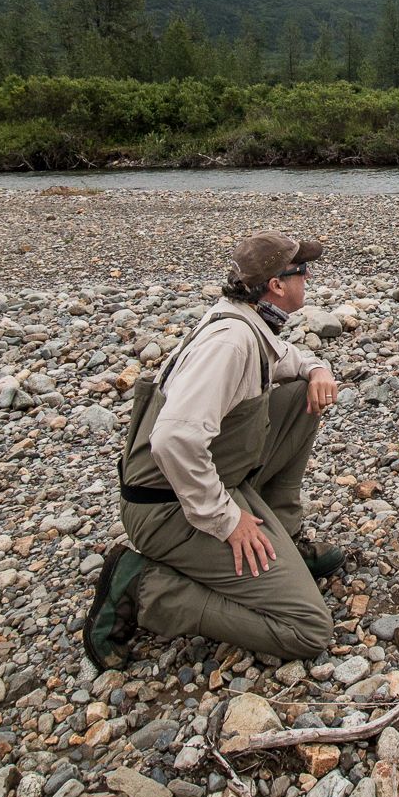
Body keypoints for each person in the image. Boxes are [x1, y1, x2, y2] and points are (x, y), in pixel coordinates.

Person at [83, 230, 345, 670]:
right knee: (307, 629)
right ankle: (142, 587)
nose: (309, 276)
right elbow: (174, 439)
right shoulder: (229, 343)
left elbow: (283, 359)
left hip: (196, 484)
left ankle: (284, 534)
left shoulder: (245, 319)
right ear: (277, 285)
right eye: (302, 270)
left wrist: (317, 367)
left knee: (302, 395)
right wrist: (226, 521)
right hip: (165, 509)